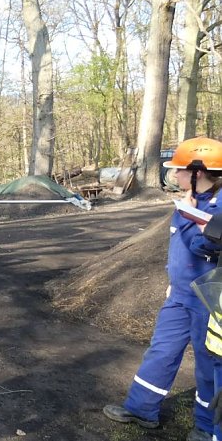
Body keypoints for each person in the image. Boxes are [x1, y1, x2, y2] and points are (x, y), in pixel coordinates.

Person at [104, 137, 222, 441]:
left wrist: (199, 223)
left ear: (199, 173)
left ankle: (207, 427)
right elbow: (179, 250)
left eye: (180, 170)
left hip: (209, 300)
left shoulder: (218, 207)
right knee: (161, 350)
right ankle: (142, 408)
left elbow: (204, 248)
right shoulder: (187, 201)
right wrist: (173, 283)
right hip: (181, 294)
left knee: (209, 364)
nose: (174, 175)